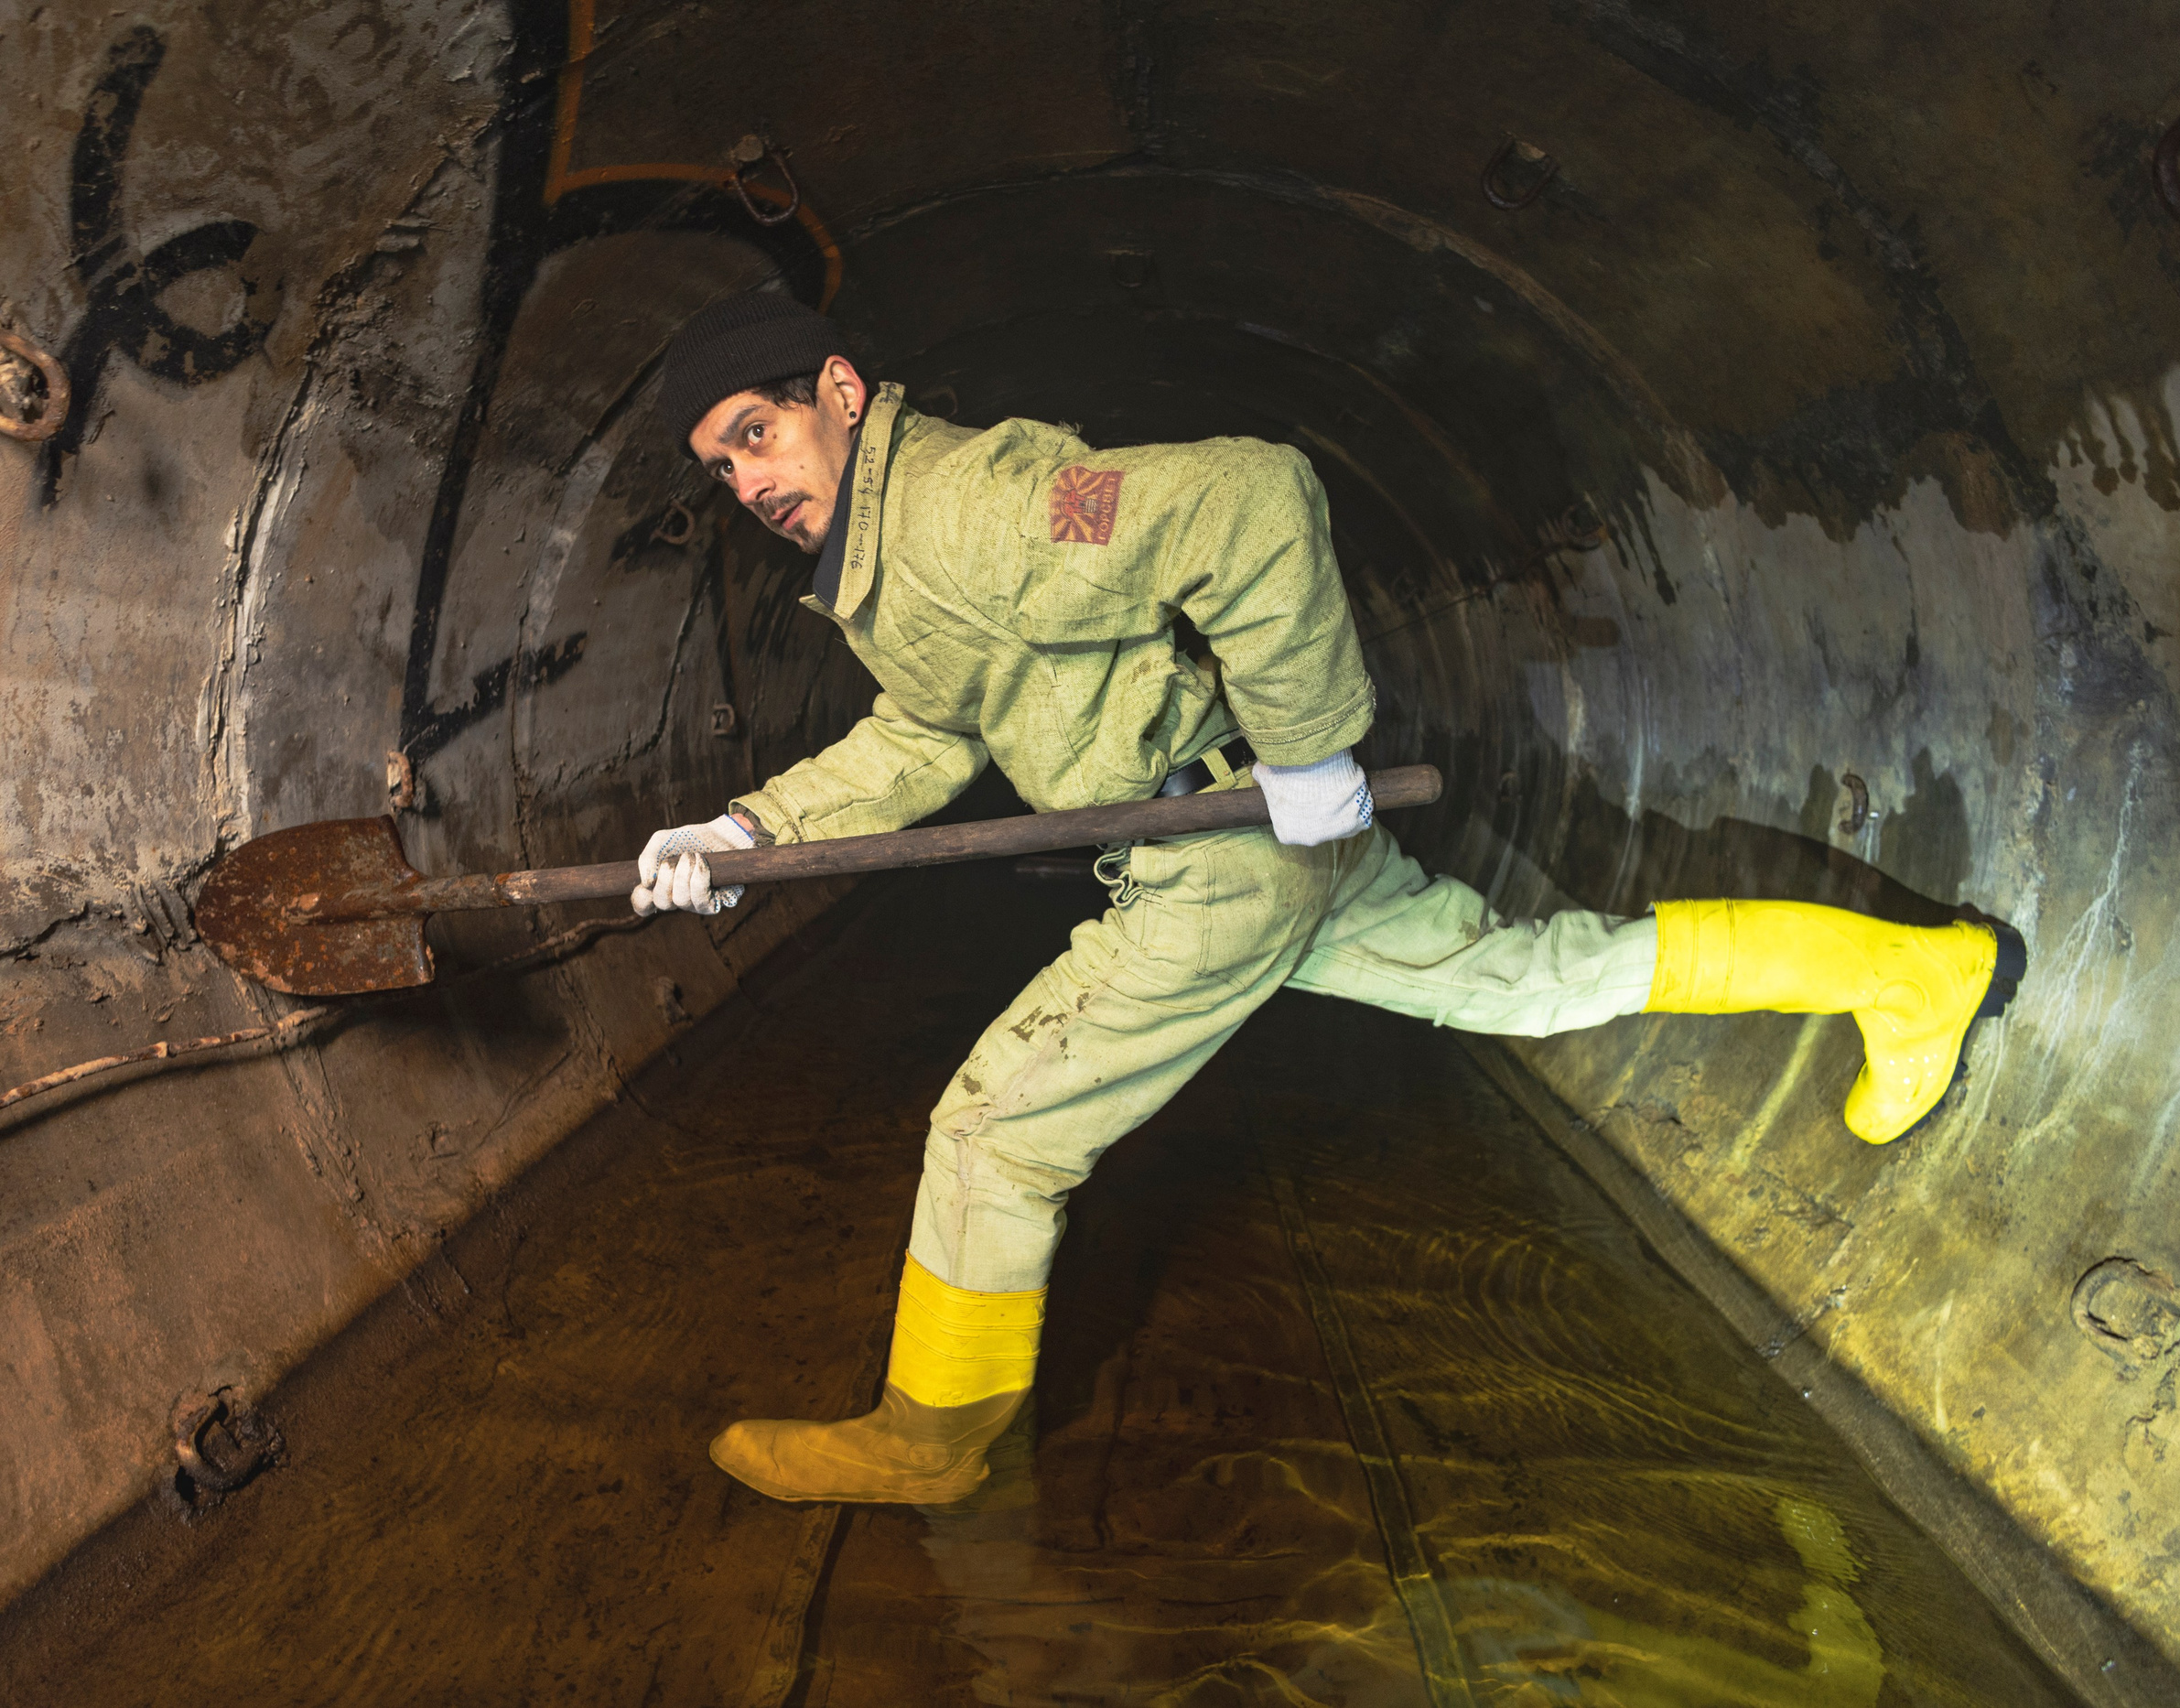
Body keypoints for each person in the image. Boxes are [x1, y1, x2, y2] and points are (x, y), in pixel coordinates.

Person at [634, 289, 2024, 1506]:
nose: (746, 481)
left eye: (756, 431)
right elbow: (932, 729)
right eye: (720, 465)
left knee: (998, 1131)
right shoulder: (889, 567)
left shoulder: (960, 510)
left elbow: (1249, 497)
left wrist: (1307, 746)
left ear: (839, 393)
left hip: (1222, 851)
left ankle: (932, 1438)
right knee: (1525, 978)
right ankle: (1908, 977)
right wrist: (751, 826)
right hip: (1250, 834)